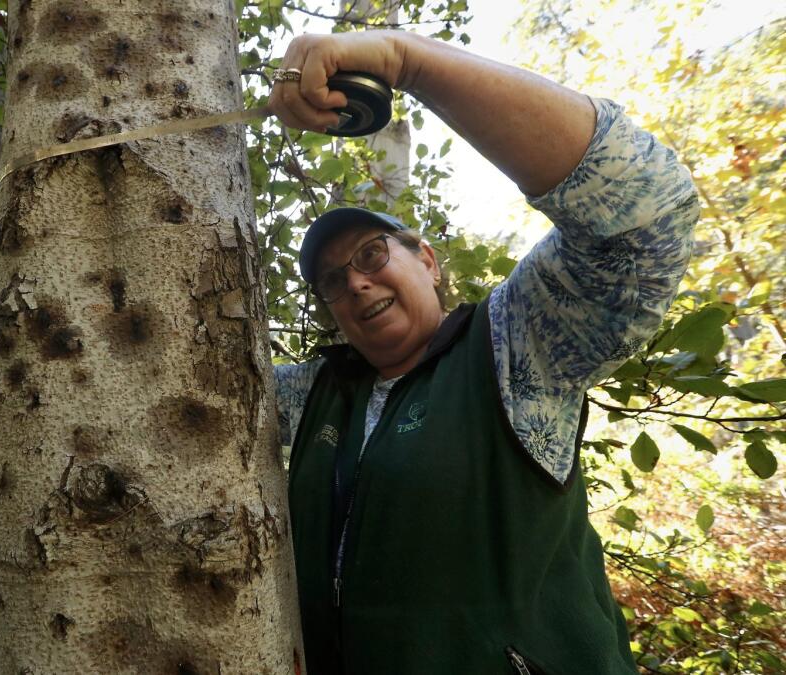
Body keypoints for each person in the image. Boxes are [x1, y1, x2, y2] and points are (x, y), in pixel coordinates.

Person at [266, 30, 699, 674]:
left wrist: (403, 60)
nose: (355, 282)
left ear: (429, 262)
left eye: (372, 255)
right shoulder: (312, 396)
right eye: (333, 281)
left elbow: (645, 208)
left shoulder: (516, 345)